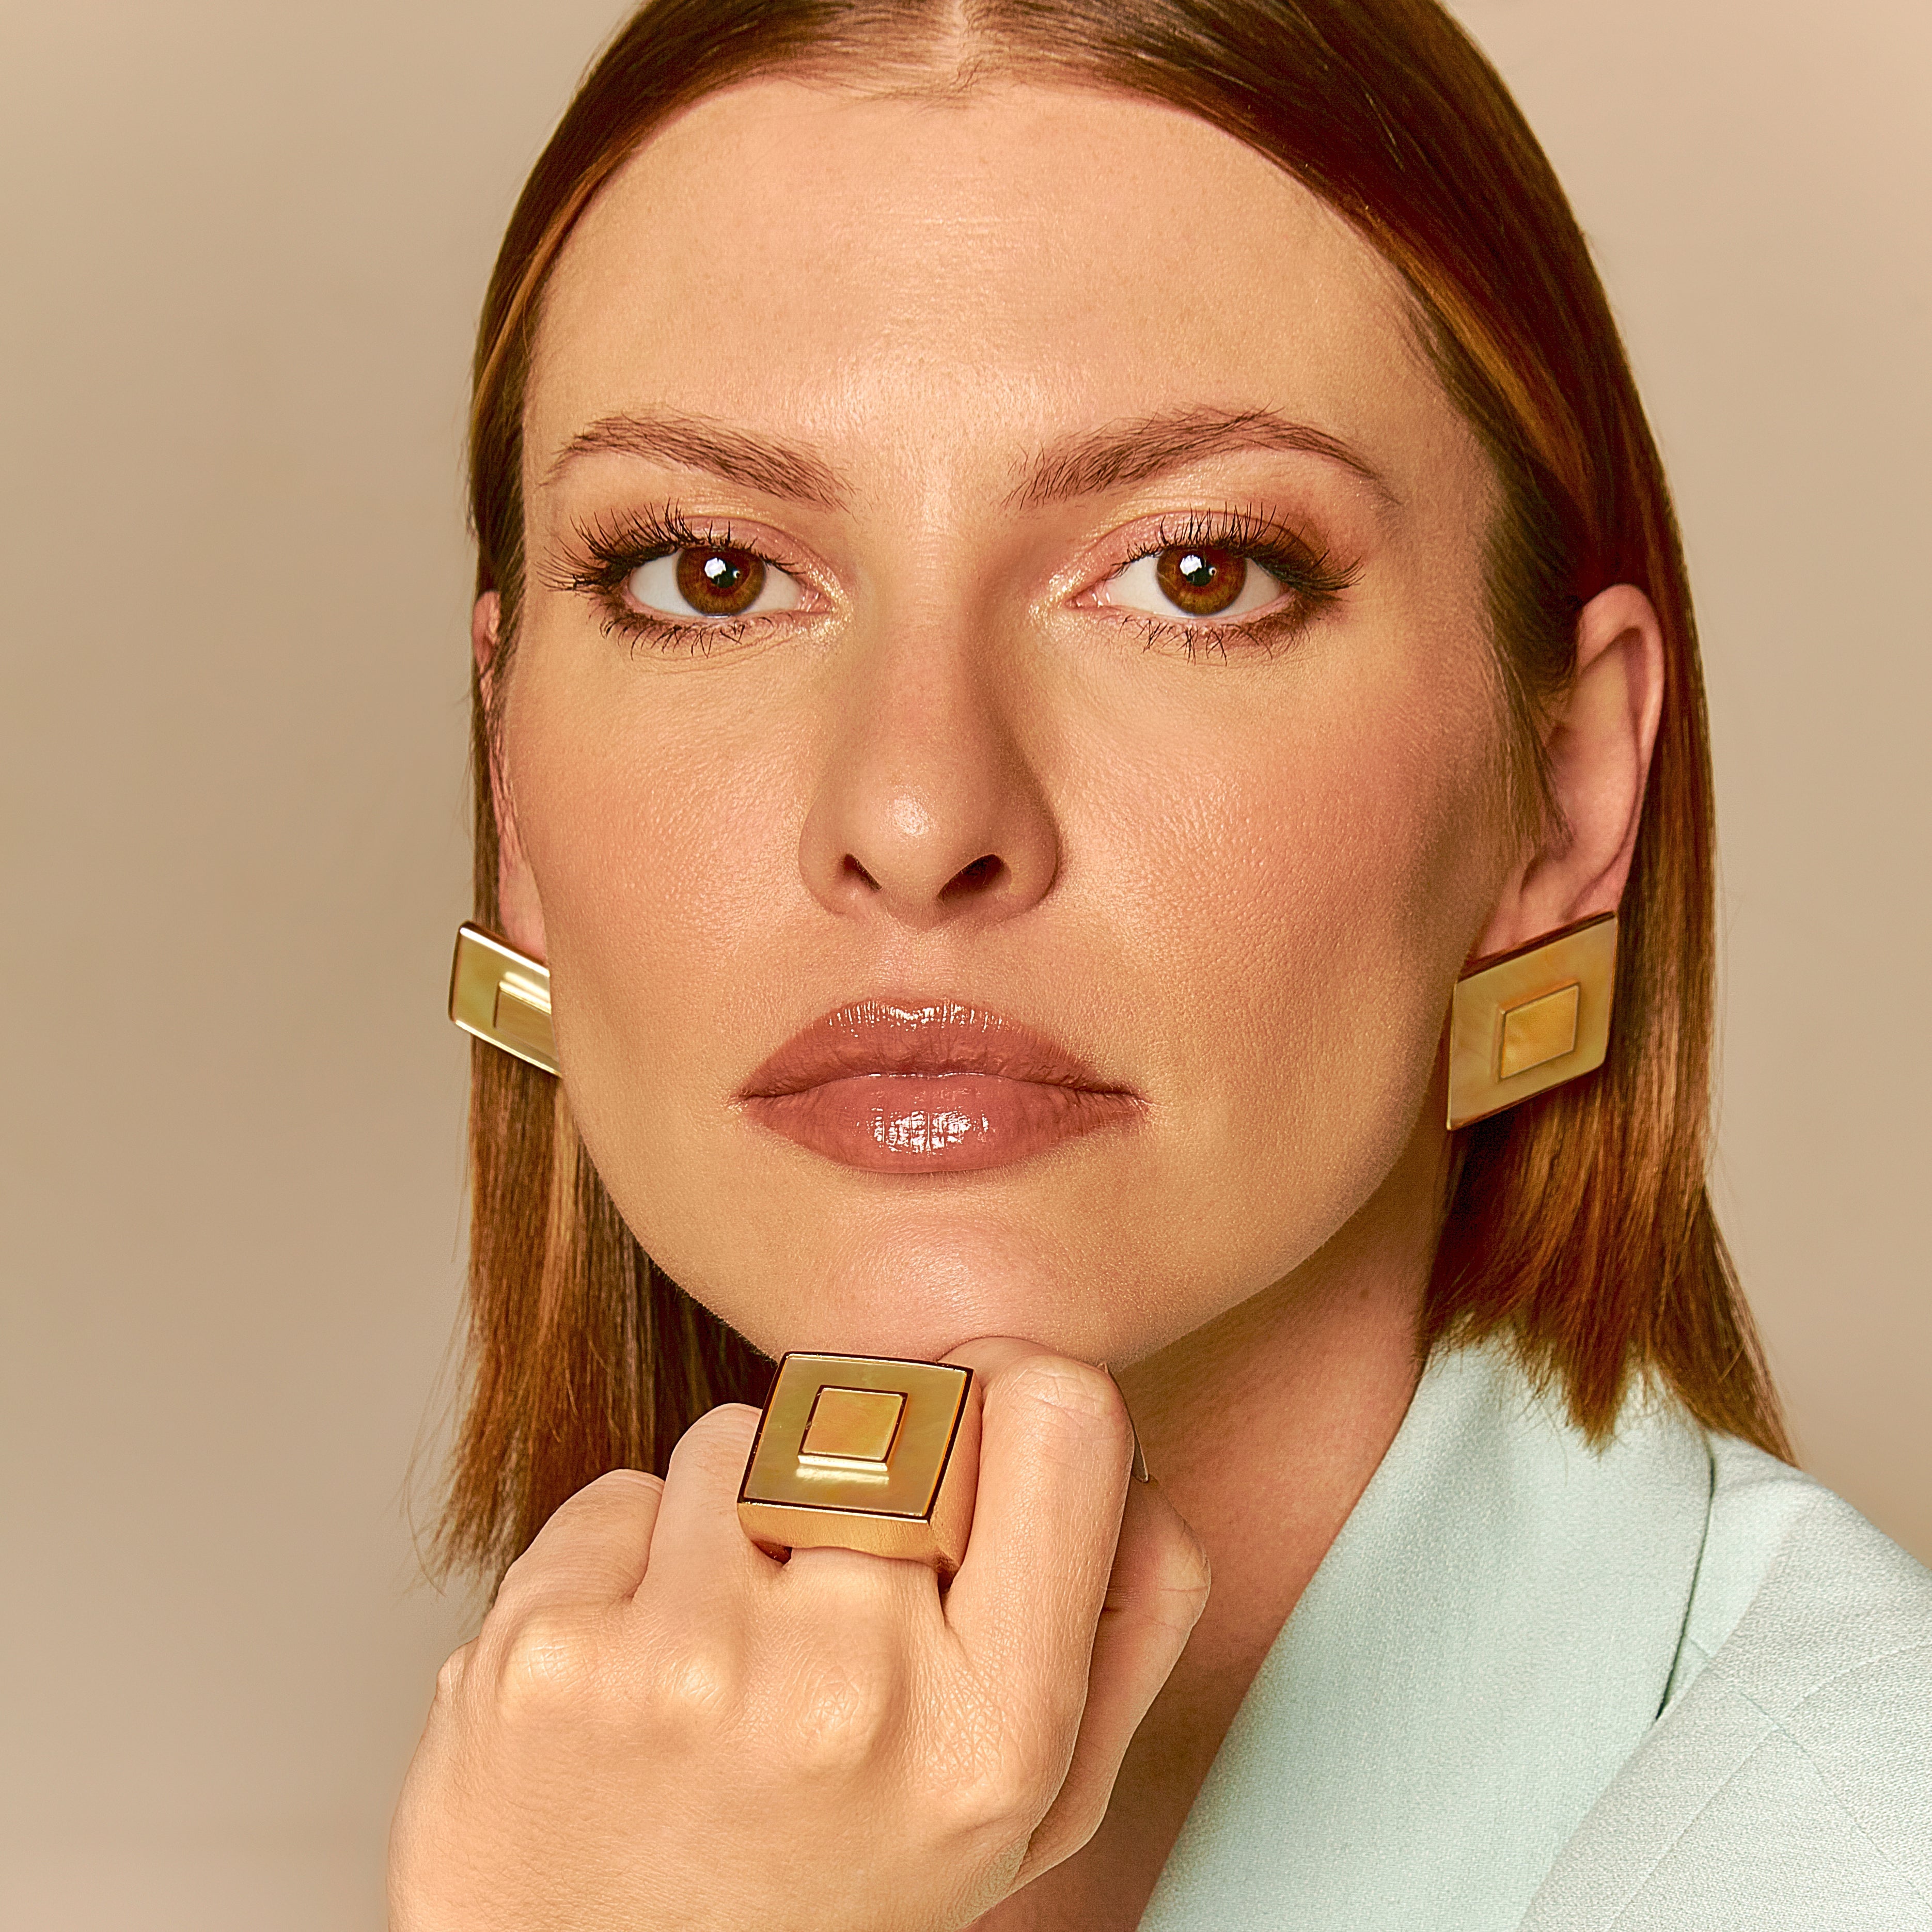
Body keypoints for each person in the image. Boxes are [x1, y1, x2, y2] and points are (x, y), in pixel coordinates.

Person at [388, 2, 1932, 1926]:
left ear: (1565, 791)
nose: (917, 812)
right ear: (513, 788)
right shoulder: (583, 1797)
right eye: (712, 577)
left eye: (1198, 573)